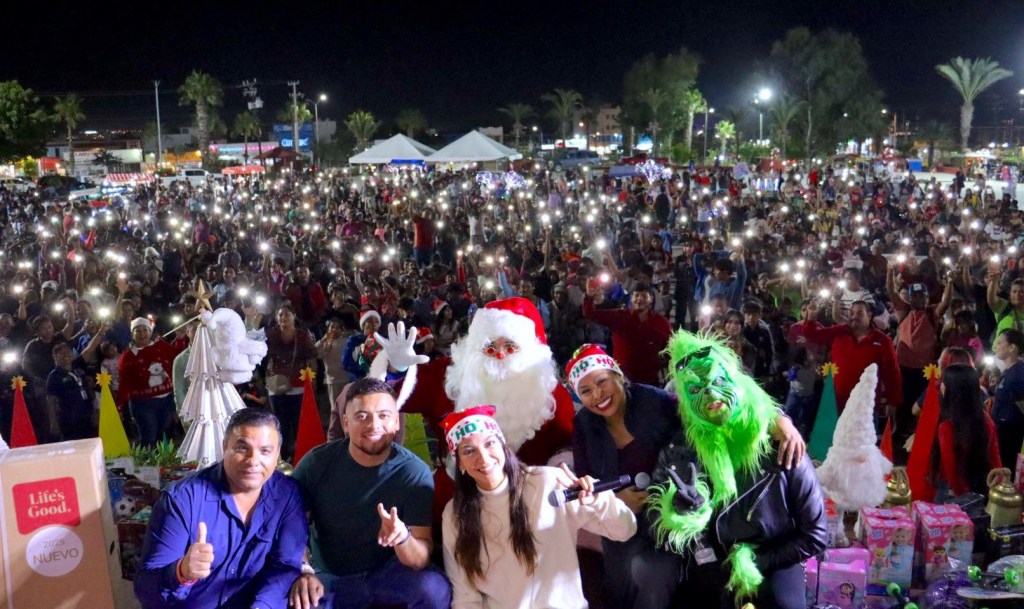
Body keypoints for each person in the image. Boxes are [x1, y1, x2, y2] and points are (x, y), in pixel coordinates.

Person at [568, 343, 805, 609]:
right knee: (622, 586)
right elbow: (586, 480)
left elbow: (710, 406)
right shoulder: (585, 425)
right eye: (585, 391)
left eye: (602, 381)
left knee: (658, 576)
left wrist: (778, 417)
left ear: (619, 376)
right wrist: (614, 499)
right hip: (620, 524)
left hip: (678, 519)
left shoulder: (655, 401)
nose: (597, 394)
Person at [648, 331, 827, 609]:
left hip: (774, 558)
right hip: (708, 562)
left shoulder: (779, 443)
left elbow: (816, 533)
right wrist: (682, 515)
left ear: (738, 383)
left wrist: (754, 562)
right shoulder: (678, 452)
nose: (710, 393)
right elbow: (657, 527)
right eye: (695, 389)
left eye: (719, 381)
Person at [442, 405, 637, 609]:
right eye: (469, 451)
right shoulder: (455, 514)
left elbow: (625, 530)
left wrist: (600, 500)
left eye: (490, 443)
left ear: (503, 446)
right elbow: (465, 596)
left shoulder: (548, 482)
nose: (483, 457)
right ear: (460, 463)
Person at [288, 378, 451, 609]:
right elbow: (288, 526)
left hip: (389, 575)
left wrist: (401, 537)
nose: (374, 425)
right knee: (295, 598)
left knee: (433, 589)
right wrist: (303, 569)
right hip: (330, 577)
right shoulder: (316, 463)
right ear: (346, 423)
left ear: (396, 422)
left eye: (384, 416)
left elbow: (420, 558)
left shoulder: (413, 471)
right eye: (362, 416)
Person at [135, 409, 307, 609]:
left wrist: (262, 607)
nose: (253, 461)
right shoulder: (182, 500)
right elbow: (144, 590)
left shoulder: (287, 494)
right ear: (225, 447)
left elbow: (285, 566)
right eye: (242, 449)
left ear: (277, 454)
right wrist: (181, 572)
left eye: (265, 451)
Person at [932, 364, 1001, 500]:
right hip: (980, 488)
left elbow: (951, 471)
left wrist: (961, 495)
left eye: (944, 383)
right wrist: (996, 485)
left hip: (952, 492)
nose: (941, 386)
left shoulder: (947, 426)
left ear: (953, 390)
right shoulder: (985, 419)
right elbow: (995, 457)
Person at [581, 282, 672, 386]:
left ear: (651, 298)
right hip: (622, 381)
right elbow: (590, 313)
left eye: (644, 296)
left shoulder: (661, 322)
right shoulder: (619, 316)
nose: (639, 299)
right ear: (631, 298)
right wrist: (589, 295)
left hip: (650, 382)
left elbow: (671, 346)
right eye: (636, 295)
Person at [264, 304, 317, 462]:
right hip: (276, 383)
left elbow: (311, 358)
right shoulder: (270, 335)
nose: (283, 318)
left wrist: (311, 381)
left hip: (298, 384)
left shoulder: (302, 336)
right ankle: (285, 453)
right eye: (280, 315)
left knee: (298, 421)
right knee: (280, 421)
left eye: (287, 315)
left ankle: (300, 454)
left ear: (294, 316)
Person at [118, 316, 182, 446]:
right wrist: (119, 405)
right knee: (148, 437)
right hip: (143, 403)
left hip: (167, 401)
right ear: (132, 334)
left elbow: (178, 360)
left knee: (166, 435)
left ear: (150, 331)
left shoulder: (163, 346)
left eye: (144, 330)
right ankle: (148, 465)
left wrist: (182, 338)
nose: (142, 334)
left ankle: (165, 464)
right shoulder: (128, 356)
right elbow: (124, 382)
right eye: (138, 331)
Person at [992, 329, 1024, 472]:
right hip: (1002, 432)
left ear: (1012, 347)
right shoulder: (1008, 372)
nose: (996, 346)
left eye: (1000, 343)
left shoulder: (1019, 373)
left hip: (1011, 436)